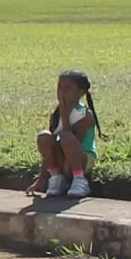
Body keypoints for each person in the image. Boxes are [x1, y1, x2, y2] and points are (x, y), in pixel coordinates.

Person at [27, 69, 101, 199]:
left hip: (81, 159)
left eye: (68, 88)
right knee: (44, 137)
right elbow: (49, 150)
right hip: (63, 160)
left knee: (66, 137)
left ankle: (80, 179)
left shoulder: (85, 115)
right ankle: (56, 177)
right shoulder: (56, 115)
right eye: (59, 87)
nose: (62, 92)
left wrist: (65, 116)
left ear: (81, 92)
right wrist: (42, 178)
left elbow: (71, 142)